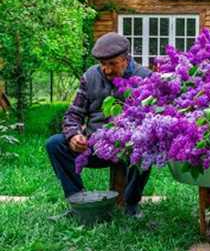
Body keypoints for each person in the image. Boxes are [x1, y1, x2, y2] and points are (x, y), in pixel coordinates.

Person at [46, 32, 152, 218]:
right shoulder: (90, 76)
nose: (106, 70)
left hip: (128, 148)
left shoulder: (145, 78)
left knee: (145, 149)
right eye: (103, 64)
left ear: (125, 59)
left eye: (112, 64)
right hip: (94, 147)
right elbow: (73, 114)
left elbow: (152, 120)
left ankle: (131, 205)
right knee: (55, 144)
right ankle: (79, 203)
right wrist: (74, 135)